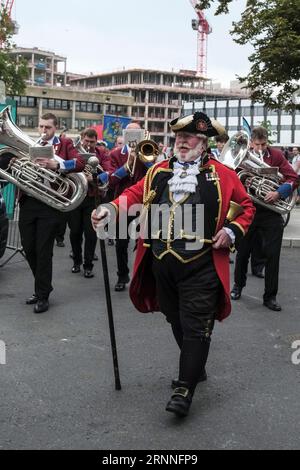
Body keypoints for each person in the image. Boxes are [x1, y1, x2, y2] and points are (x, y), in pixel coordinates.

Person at [92, 112, 255, 418]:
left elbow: (245, 207)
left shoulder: (223, 175)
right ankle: (196, 366)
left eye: (189, 137)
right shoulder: (159, 171)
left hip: (202, 265)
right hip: (162, 265)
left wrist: (232, 230)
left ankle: (185, 387)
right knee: (174, 318)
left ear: (202, 142)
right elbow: (133, 194)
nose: (182, 142)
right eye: (179, 137)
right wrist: (109, 209)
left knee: (195, 325)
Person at [19, 113, 85, 313]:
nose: (43, 131)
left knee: (43, 251)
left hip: (49, 203)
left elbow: (80, 163)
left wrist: (58, 164)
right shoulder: (32, 143)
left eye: (47, 127)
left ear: (55, 127)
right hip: (29, 201)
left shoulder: (65, 144)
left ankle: (42, 295)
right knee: (28, 247)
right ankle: (43, 287)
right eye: (41, 126)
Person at [231, 127, 298, 311]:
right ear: (251, 143)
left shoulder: (276, 155)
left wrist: (279, 192)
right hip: (249, 211)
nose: (260, 148)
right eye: (257, 144)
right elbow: (234, 179)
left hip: (271, 214)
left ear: (267, 142)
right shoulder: (242, 156)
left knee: (272, 257)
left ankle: (270, 296)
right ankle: (238, 286)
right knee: (242, 253)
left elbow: (293, 178)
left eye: (264, 144)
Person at [107, 121, 156, 292]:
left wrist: (142, 157)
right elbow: (111, 179)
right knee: (121, 243)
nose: (133, 137)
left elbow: (156, 172)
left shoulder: (148, 151)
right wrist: (127, 165)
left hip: (145, 202)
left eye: (137, 134)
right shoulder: (115, 154)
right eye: (130, 134)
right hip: (124, 201)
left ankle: (145, 277)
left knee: (147, 241)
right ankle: (122, 275)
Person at [69, 128, 111, 278]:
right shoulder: (74, 151)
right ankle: (76, 262)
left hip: (93, 197)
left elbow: (108, 171)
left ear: (96, 141)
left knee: (91, 234)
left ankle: (88, 266)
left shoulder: (102, 153)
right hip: (76, 196)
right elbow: (68, 168)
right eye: (86, 141)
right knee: (74, 232)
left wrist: (95, 178)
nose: (88, 144)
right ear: (82, 139)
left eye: (92, 142)